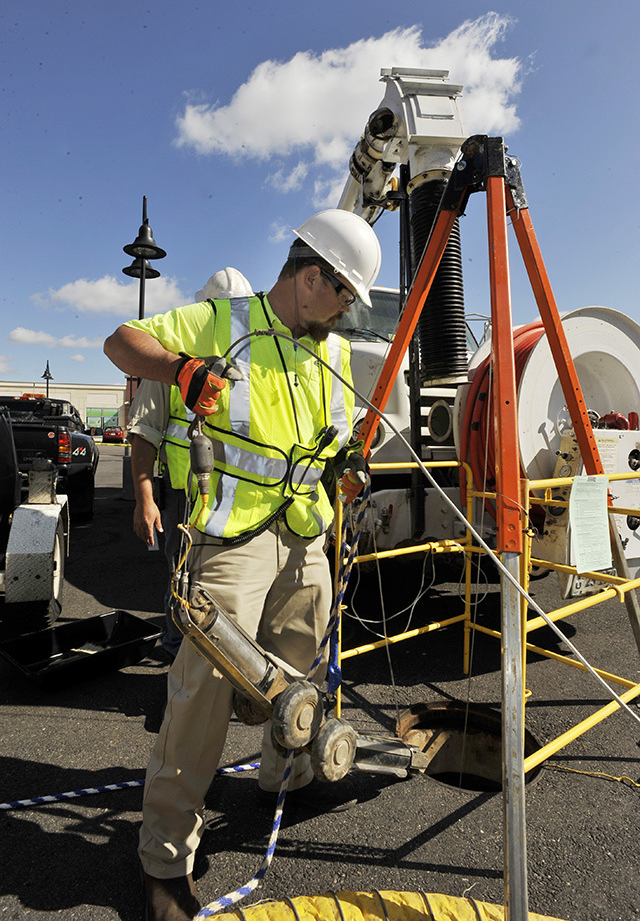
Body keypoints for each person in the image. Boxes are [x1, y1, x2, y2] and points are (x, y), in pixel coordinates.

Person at [103, 209, 380, 921]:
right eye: (344, 296)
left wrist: (346, 465)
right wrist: (180, 369)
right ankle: (165, 860)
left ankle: (280, 779)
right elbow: (120, 341)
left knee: (297, 669)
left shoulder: (330, 351)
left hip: (305, 538)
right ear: (310, 278)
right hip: (231, 543)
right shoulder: (222, 322)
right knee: (201, 695)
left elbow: (331, 437)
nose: (346, 313)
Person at [127, 269, 253, 659]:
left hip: (242, 500)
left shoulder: (254, 365)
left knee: (230, 585)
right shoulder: (173, 364)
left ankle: (221, 664)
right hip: (185, 499)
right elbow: (144, 434)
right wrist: (145, 500)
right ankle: (178, 656)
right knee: (184, 579)